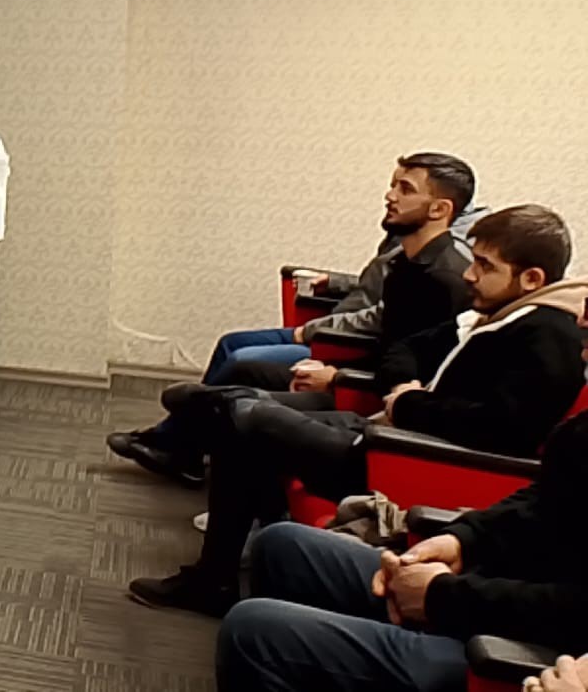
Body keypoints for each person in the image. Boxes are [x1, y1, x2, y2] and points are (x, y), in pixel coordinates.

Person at [128, 204, 587, 616]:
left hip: (410, 459)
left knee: (247, 419)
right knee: (241, 423)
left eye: (485, 266)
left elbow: (503, 430)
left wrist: (412, 405)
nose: (470, 275)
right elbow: (407, 348)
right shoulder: (498, 313)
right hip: (389, 432)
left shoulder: (549, 336)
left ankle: (208, 421)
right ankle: (216, 571)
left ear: (531, 279)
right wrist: (405, 389)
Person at [108, 153, 478, 486]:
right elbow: (394, 342)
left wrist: (337, 374)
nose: (389, 195)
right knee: (241, 368)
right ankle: (189, 437)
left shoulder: (446, 278)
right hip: (360, 368)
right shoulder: (407, 261)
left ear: (439, 209)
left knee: (240, 390)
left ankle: (191, 436)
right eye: (393, 185)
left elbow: (415, 365)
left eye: (405, 189)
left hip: (374, 393)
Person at [216, 404, 588, 691]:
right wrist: (464, 540)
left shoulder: (548, 340)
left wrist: (442, 596)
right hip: (491, 587)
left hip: (523, 650)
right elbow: (546, 495)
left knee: (253, 632)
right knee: (283, 547)